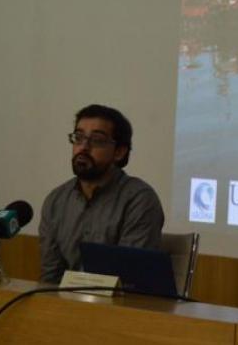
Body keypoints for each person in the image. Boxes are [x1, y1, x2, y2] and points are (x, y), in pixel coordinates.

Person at [38, 104, 164, 283]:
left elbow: (129, 279)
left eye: (96, 140)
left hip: (120, 306)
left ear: (119, 152)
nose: (83, 147)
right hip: (67, 305)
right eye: (78, 137)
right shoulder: (56, 201)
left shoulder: (139, 200)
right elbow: (50, 277)